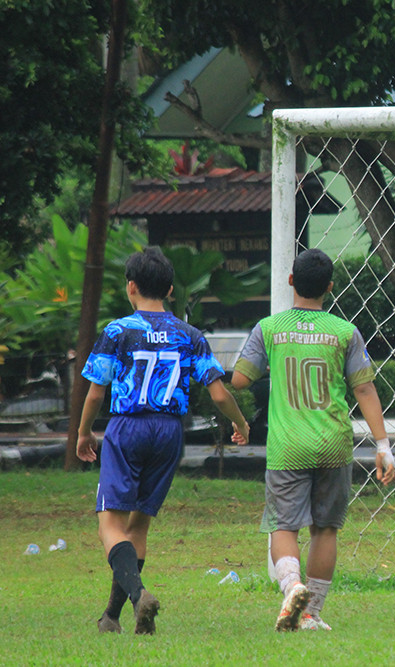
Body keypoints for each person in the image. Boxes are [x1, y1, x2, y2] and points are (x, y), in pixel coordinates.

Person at [76, 247, 250, 635]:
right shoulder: (189, 335)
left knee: (109, 524)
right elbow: (219, 393)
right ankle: (113, 617)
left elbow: (95, 392)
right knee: (139, 525)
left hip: (128, 427)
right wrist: (241, 422)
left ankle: (139, 597)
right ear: (171, 289)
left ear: (131, 287)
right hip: (170, 432)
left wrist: (83, 431)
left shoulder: (118, 331)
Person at [231, 248, 395, 632]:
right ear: (330, 287)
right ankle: (311, 614)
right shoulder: (344, 332)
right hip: (334, 443)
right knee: (325, 528)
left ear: (291, 281)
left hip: (288, 446)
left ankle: (292, 587)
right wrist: (383, 445)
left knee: (283, 526)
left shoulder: (269, 328)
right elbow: (366, 390)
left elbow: (241, 379)